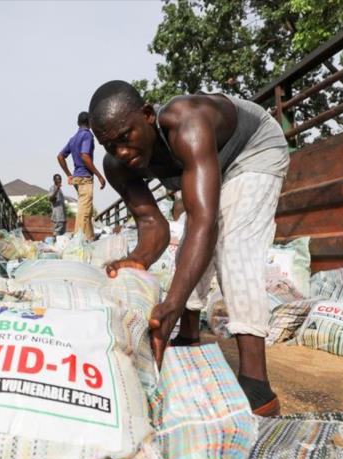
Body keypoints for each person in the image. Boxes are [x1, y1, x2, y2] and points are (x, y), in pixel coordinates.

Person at [89, 80, 290, 416]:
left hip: (253, 149)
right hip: (212, 165)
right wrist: (135, 262)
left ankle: (258, 387)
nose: (121, 152)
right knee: (188, 253)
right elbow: (155, 228)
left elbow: (204, 222)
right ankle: (188, 334)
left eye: (126, 137)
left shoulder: (187, 123)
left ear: (149, 116)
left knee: (233, 246)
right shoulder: (116, 166)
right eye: (110, 145)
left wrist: (171, 303)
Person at [57, 111, 106, 241]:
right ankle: (77, 242)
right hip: (85, 178)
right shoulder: (87, 136)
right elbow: (85, 156)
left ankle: (90, 238)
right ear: (90, 122)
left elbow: (60, 156)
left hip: (77, 178)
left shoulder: (73, 139)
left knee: (87, 210)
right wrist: (99, 175)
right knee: (84, 211)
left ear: (78, 123)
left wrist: (69, 175)